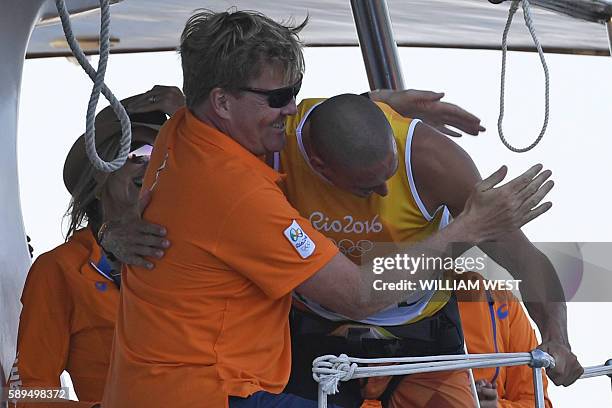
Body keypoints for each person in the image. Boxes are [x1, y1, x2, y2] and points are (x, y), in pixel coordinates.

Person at [101, 10, 558, 408]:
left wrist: (369, 107)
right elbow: (358, 294)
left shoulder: (181, 127)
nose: (290, 109)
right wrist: (470, 227)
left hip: (163, 383)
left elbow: (523, 256)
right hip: (215, 392)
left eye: (296, 92)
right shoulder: (238, 192)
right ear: (221, 101)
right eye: (279, 98)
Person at [4, 87, 182, 408]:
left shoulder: (192, 252)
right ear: (100, 175)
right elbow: (27, 393)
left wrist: (190, 115)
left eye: (160, 156)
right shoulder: (59, 270)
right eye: (137, 152)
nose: (150, 163)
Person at [360, 271, 553, 408]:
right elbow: (348, 392)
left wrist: (491, 406)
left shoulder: (503, 303)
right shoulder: (375, 299)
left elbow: (536, 403)